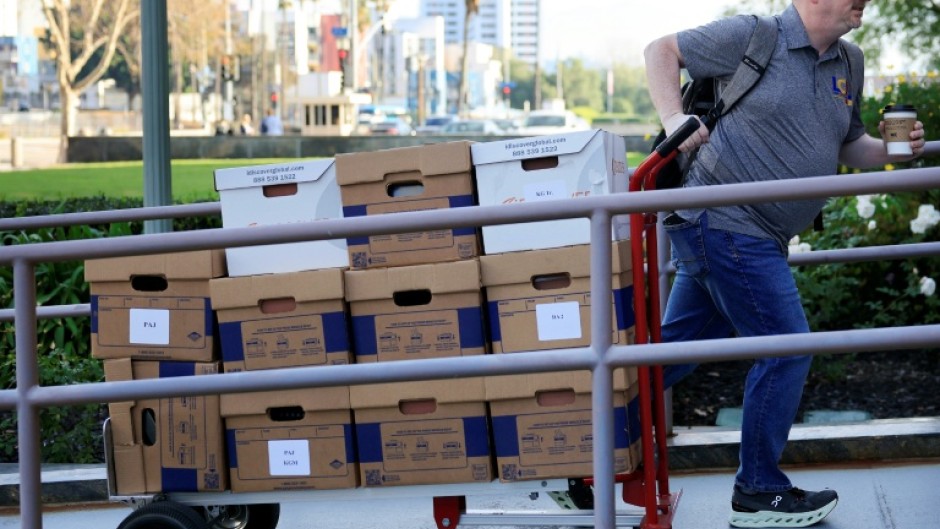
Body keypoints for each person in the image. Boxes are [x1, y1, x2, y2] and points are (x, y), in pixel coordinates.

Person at [643, 1, 924, 528]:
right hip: (724, 218)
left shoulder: (850, 61)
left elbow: (849, 146)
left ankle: (580, 449)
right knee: (788, 348)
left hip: (751, 234)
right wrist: (674, 119)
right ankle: (758, 490)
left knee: (664, 358)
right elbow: (660, 51)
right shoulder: (755, 34)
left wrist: (894, 151)